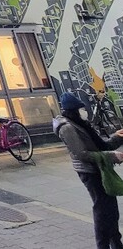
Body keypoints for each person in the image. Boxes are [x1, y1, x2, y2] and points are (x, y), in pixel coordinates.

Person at [54, 91, 123, 249]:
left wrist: (117, 137)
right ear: (73, 110)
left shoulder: (81, 124)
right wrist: (111, 156)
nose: (85, 111)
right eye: (81, 109)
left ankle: (116, 243)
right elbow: (81, 154)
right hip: (90, 172)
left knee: (111, 209)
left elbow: (100, 145)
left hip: (100, 169)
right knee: (102, 210)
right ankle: (103, 245)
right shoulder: (68, 128)